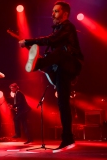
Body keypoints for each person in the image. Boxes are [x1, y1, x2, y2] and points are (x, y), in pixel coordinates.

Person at [19, 1, 84, 152]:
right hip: (60, 68)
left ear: (65, 14)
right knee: (63, 103)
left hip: (71, 63)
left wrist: (29, 41)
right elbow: (51, 43)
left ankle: (39, 64)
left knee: (58, 53)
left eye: (56, 11)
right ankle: (68, 138)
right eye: (53, 11)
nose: (52, 14)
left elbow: (50, 40)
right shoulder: (58, 30)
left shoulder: (68, 26)